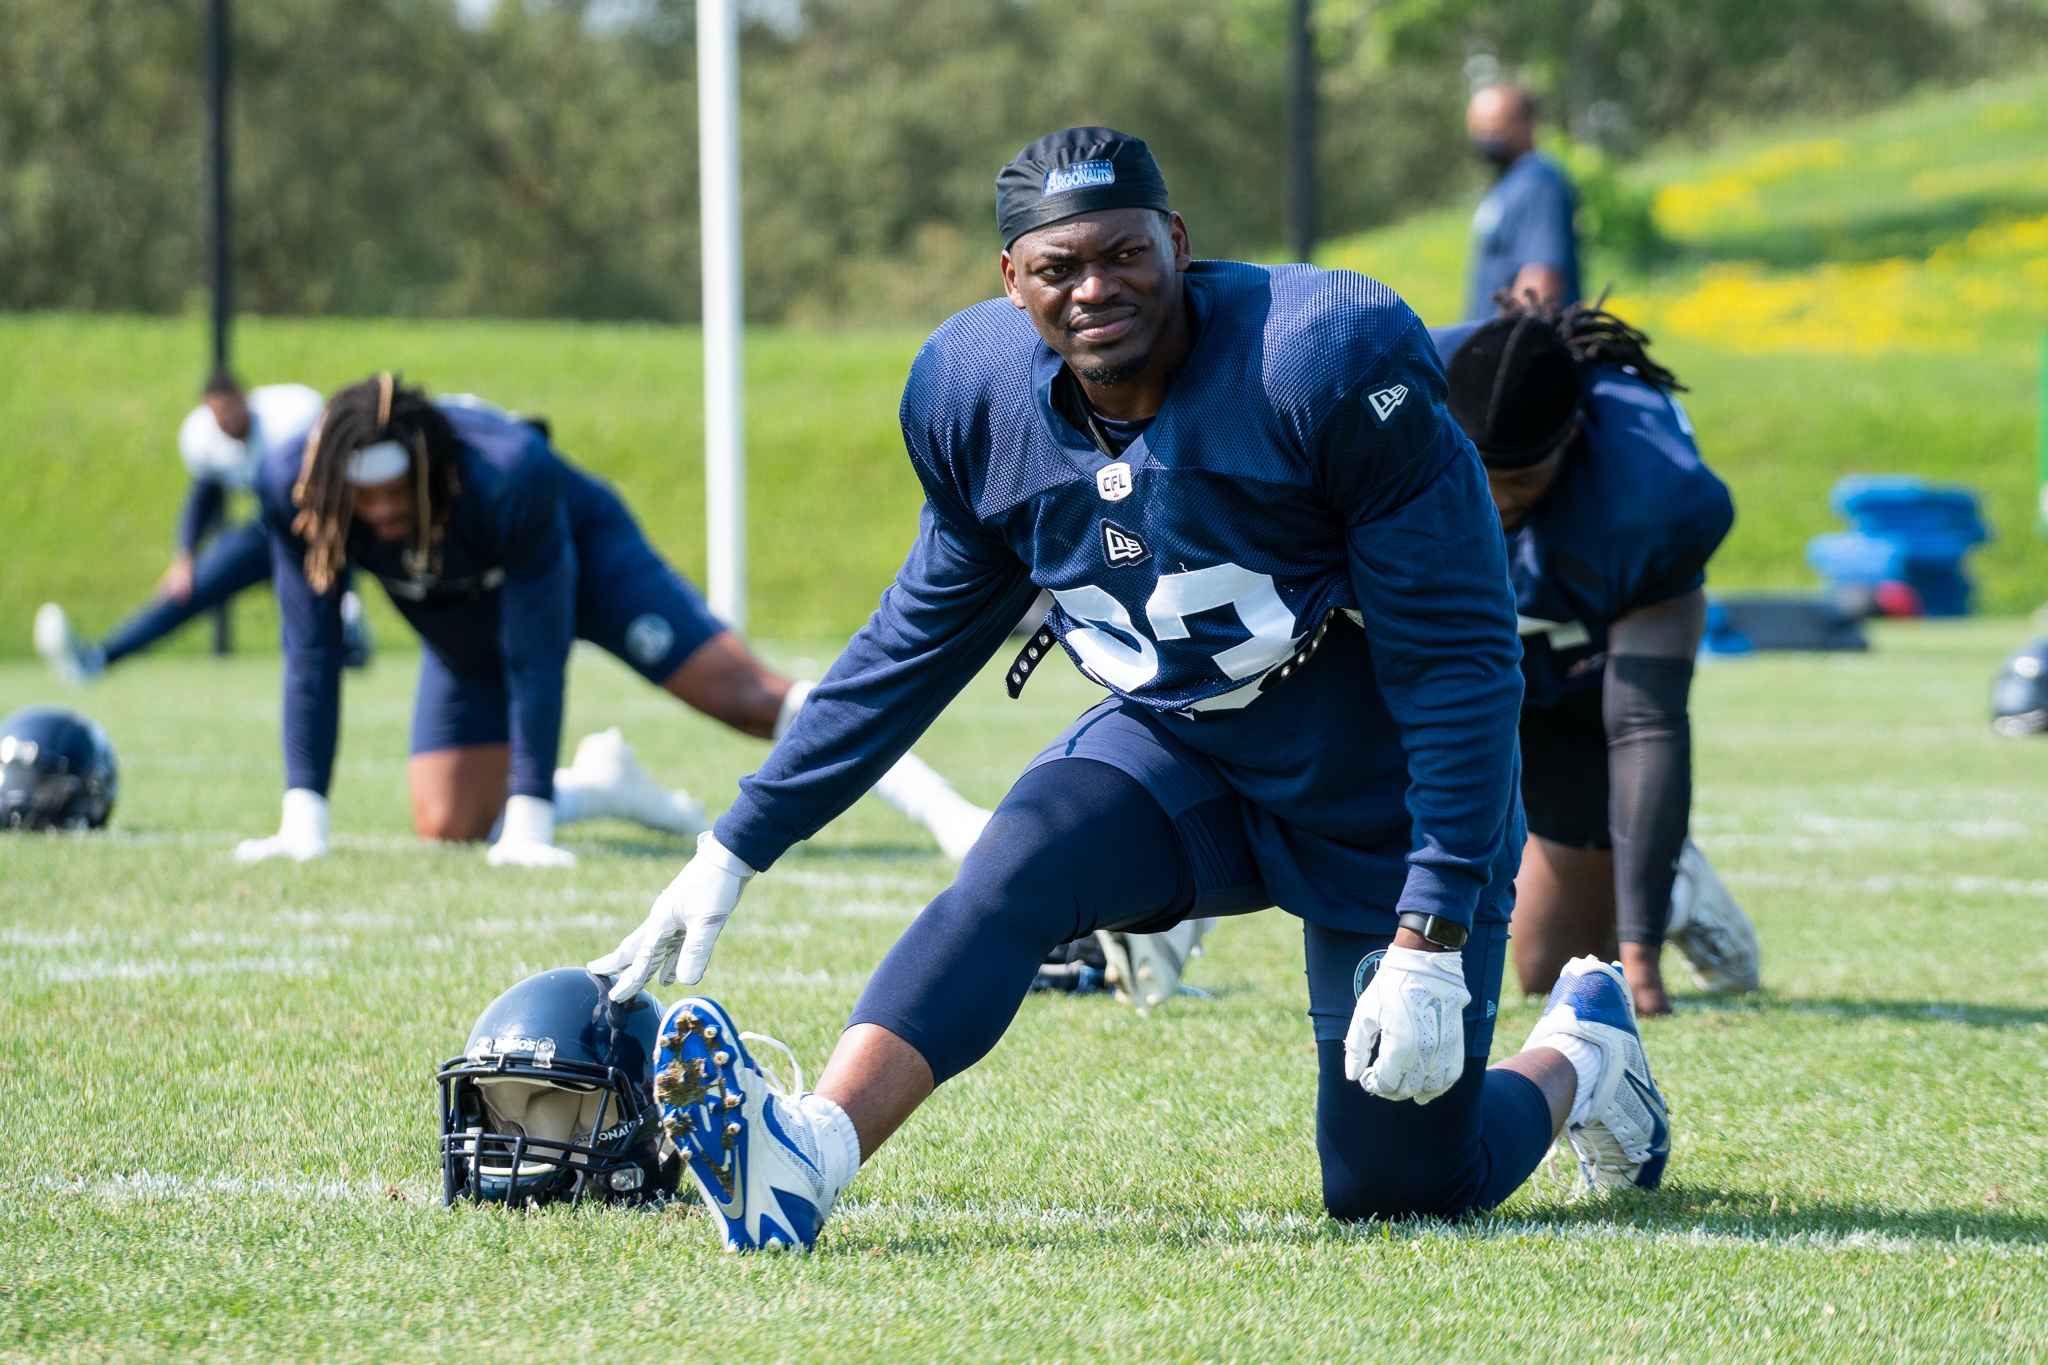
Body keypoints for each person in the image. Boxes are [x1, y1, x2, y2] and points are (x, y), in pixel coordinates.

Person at [589, 128, 1672, 1251]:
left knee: (1395, 1189)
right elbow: (913, 643)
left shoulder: (1320, 361)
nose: (1093, 288)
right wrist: (738, 842)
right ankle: (808, 1154)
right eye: (1057, 267)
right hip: (1180, 747)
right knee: (1014, 865)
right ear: (1011, 282)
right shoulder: (974, 399)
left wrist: (1432, 927)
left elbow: (1455, 656)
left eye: (1122, 254)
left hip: (1378, 788)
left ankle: (1580, 1057)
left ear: (1177, 243)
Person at [234, 379, 990, 867]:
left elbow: (535, 655)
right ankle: (600, 786)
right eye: (366, 502)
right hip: (459, 610)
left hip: (583, 562)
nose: (385, 513)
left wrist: (531, 823)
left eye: (400, 493)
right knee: (450, 821)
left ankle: (944, 810)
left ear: (435, 466)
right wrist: (305, 819)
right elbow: (312, 651)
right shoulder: (296, 490)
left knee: (748, 697)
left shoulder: (506, 471)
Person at [1431, 304, 1760, 1015]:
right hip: (1461, 663)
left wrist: (1637, 954)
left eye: (1518, 479)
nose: (1494, 499)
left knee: (1550, 972)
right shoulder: (1388, 398)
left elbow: (1648, 723)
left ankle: (1668, 894)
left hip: (1576, 677)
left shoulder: (1655, 495)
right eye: (1479, 473)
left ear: (1572, 436)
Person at [34, 370, 373, 683]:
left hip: (325, 527)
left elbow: (339, 485)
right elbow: (204, 496)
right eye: (218, 416)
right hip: (269, 531)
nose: (226, 422)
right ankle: (98, 659)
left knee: (334, 581)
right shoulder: (204, 439)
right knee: (186, 589)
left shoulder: (291, 413)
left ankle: (350, 625)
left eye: (230, 411)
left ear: (244, 398)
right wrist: (184, 557)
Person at [1464, 85, 1580, 322]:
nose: (1485, 135)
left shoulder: (1538, 181)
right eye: (1477, 127)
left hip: (1522, 349)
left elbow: (1539, 281)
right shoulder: (1509, 183)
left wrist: (1503, 349)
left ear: (1527, 123)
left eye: (1496, 123)